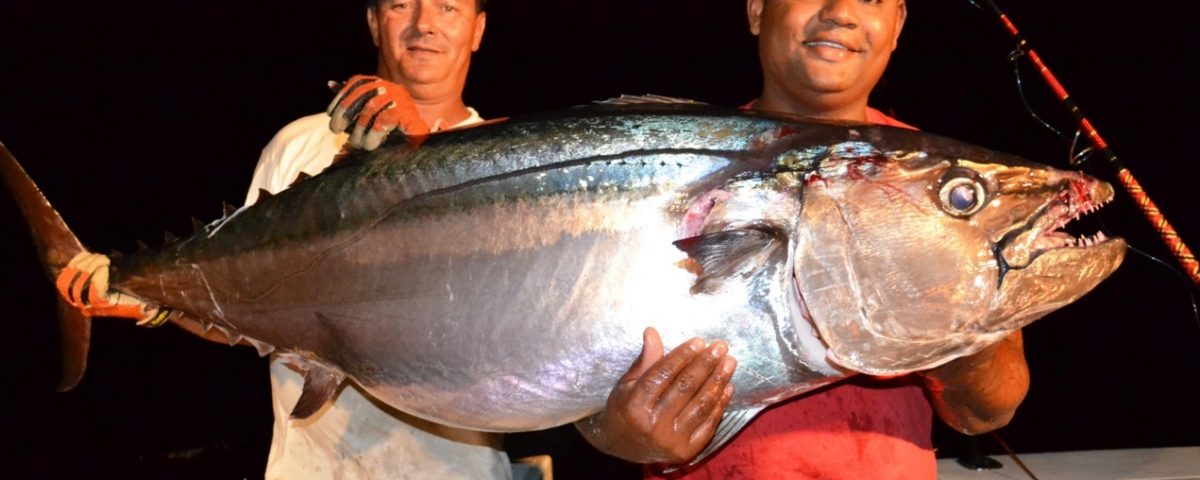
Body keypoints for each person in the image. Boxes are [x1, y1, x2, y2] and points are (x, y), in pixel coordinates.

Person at [574, 1, 1031, 478]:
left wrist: (950, 323)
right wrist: (622, 436)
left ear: (897, 26)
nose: (841, 12)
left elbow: (988, 411)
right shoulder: (656, 172)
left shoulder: (943, 182)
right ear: (756, 11)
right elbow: (571, 379)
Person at [56, 0, 510, 478]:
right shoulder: (298, 144)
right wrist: (155, 301)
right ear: (374, 22)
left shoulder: (511, 163)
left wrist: (413, 151)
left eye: (447, 8)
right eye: (402, 5)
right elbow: (248, 307)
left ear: (477, 30)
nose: (424, 26)